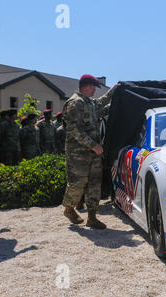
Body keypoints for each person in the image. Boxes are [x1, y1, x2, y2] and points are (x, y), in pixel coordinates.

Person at [61, 74, 119, 229]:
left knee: (94, 183)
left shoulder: (88, 103)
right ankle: (68, 208)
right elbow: (74, 130)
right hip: (78, 153)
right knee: (77, 183)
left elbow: (100, 104)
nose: (94, 90)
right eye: (93, 87)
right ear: (86, 86)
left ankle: (92, 217)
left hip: (93, 153)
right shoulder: (74, 103)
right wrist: (93, 145)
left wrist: (113, 92)